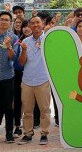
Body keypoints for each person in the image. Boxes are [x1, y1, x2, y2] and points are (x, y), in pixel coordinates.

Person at [17, 16, 51, 145]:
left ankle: (44, 134)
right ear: (29, 26)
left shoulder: (49, 39)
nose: (35, 25)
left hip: (43, 79)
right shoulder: (25, 41)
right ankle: (27, 134)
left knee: (45, 109)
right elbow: (21, 63)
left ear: (42, 24)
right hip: (27, 80)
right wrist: (24, 50)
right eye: (32, 23)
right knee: (27, 110)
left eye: (37, 22)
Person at [0, 11, 19, 143]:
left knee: (8, 106)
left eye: (7, 20)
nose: (4, 22)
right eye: (1, 19)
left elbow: (14, 57)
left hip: (7, 76)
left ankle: (9, 133)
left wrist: (8, 47)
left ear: (10, 22)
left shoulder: (13, 38)